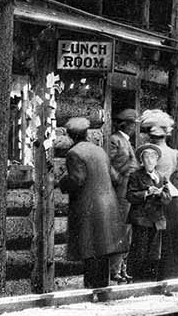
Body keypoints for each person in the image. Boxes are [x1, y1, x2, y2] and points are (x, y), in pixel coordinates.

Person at [58, 117, 125, 289]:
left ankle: (92, 291)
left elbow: (77, 180)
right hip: (107, 206)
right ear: (86, 133)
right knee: (102, 251)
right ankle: (102, 290)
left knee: (90, 249)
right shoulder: (100, 151)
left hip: (88, 208)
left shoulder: (74, 153)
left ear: (69, 135)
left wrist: (61, 181)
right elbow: (116, 178)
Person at [137, 109, 178, 278]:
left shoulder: (148, 155)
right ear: (166, 135)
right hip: (171, 197)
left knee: (153, 238)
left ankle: (152, 276)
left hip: (155, 198)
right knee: (171, 238)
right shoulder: (175, 154)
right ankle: (174, 273)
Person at [125, 143, 168, 281]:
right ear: (141, 161)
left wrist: (161, 194)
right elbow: (130, 196)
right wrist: (146, 193)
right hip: (141, 220)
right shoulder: (135, 176)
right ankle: (138, 281)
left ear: (156, 161)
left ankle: (152, 281)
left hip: (156, 220)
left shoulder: (161, 177)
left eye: (152, 157)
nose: (150, 160)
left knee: (154, 253)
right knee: (140, 252)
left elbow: (168, 198)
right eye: (146, 157)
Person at [106, 108, 139, 283]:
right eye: (133, 124)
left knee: (127, 231)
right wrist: (117, 177)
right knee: (120, 229)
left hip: (129, 192)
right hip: (120, 193)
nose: (134, 128)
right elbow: (107, 163)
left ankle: (123, 268)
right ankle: (114, 269)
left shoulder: (127, 141)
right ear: (124, 124)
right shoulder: (115, 140)